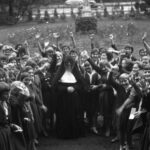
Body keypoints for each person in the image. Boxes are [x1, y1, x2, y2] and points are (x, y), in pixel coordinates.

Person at [52, 55, 87, 138]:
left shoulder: (76, 73)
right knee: (63, 116)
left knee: (75, 115)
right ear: (64, 64)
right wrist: (65, 88)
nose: (68, 65)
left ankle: (75, 133)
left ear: (73, 64)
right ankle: (63, 134)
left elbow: (82, 85)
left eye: (70, 64)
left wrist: (74, 88)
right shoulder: (60, 73)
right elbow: (55, 86)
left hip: (75, 99)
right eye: (67, 64)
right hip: (63, 99)